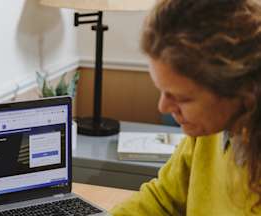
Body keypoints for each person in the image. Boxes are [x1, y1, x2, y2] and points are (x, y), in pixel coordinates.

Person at [111, 0, 261, 215]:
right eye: (162, 91)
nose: (162, 107)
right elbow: (162, 199)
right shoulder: (205, 132)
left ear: (243, 92)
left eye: (182, 98)